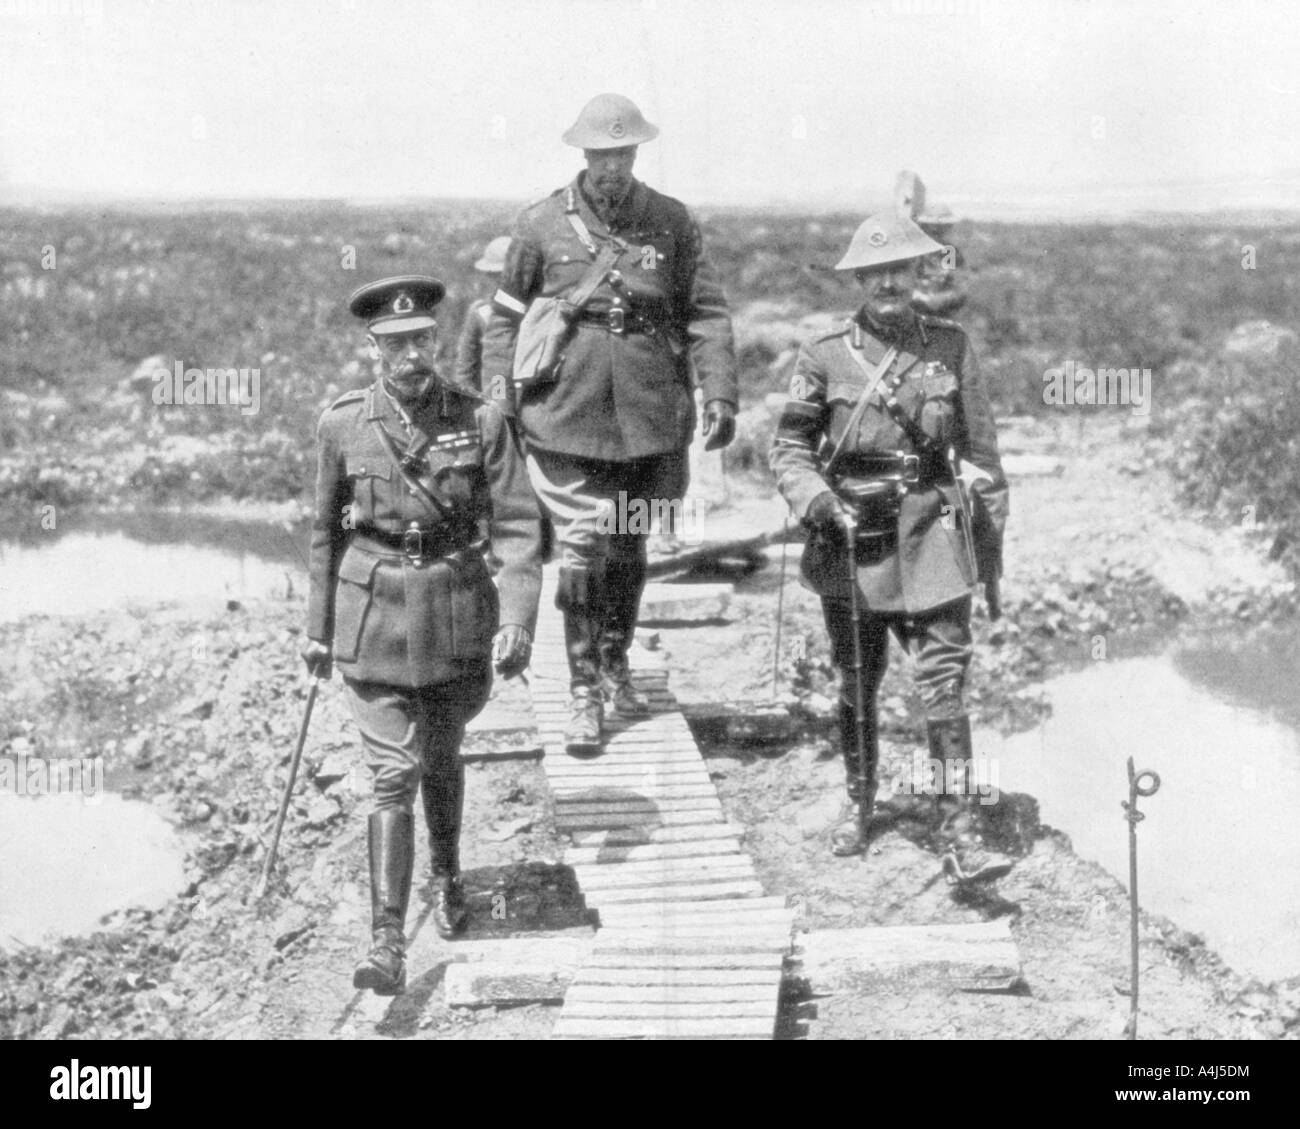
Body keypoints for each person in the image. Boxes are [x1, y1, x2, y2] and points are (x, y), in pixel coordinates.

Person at [301, 275, 542, 994]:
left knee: (441, 753)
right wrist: (316, 629)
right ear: (372, 348)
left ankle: (448, 871)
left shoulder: (480, 418)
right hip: (371, 617)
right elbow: (323, 531)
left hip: (456, 613)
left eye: (421, 340)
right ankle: (386, 942)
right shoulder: (342, 424)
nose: (410, 354)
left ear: (436, 340)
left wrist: (519, 617)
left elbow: (521, 525)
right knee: (391, 774)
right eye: (394, 343)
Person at [481, 93, 738, 755]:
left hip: (650, 421)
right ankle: (583, 689)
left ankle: (617, 658)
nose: (611, 168)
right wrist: (497, 400)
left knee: (627, 545)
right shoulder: (539, 225)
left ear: (636, 152)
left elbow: (706, 314)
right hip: (568, 416)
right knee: (584, 544)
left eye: (622, 153)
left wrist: (720, 394)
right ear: (582, 154)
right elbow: (506, 318)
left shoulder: (672, 223)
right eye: (600, 155)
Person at [768, 210, 1010, 882]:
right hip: (854, 537)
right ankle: (859, 801)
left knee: (945, 681)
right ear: (859, 280)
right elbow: (788, 446)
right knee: (857, 682)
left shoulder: (952, 347)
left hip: (933, 532)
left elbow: (984, 454)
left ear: (918, 273)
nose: (887, 284)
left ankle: (961, 828)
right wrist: (818, 501)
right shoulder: (824, 354)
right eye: (873, 274)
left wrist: (987, 554)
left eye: (898, 271)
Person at [454, 235, 511, 394]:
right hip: (497, 393)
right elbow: (466, 367)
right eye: (495, 275)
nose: (501, 280)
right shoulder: (481, 313)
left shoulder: (537, 309)